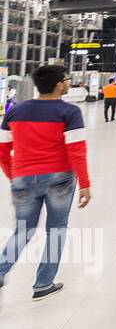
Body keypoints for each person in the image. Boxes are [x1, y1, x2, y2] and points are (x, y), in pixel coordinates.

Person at [0, 65, 92, 300]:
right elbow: (77, 151)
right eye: (67, 79)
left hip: (22, 177)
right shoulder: (70, 112)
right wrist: (85, 184)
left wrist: (16, 176)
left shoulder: (15, 111)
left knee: (23, 231)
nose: (69, 82)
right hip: (59, 178)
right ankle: (43, 284)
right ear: (60, 84)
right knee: (56, 230)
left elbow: (2, 150)